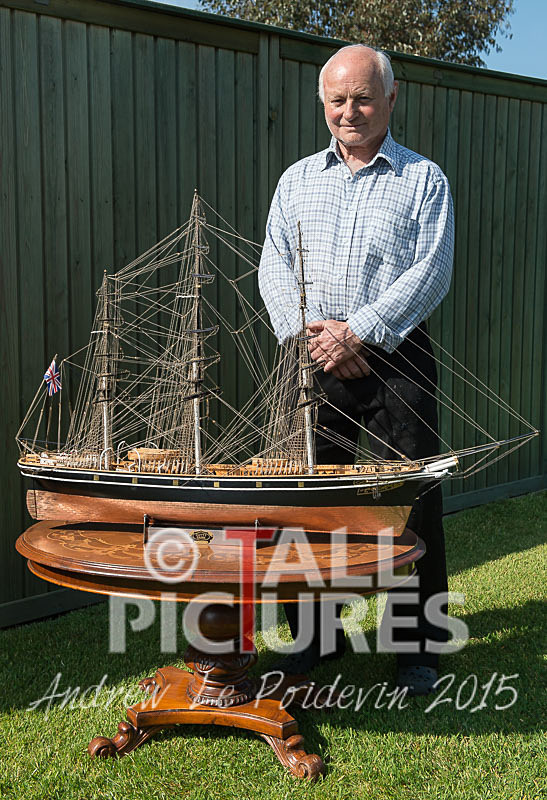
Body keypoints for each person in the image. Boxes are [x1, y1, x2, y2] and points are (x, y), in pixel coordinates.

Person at [258, 44, 455, 696]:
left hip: (396, 357)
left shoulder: (423, 180)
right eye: (337, 100)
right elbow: (272, 266)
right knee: (307, 504)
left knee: (411, 505)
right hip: (310, 359)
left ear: (390, 99)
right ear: (323, 103)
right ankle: (316, 639)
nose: (349, 111)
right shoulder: (295, 180)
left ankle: (417, 649)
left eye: (362, 98)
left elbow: (430, 271)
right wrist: (311, 338)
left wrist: (358, 332)